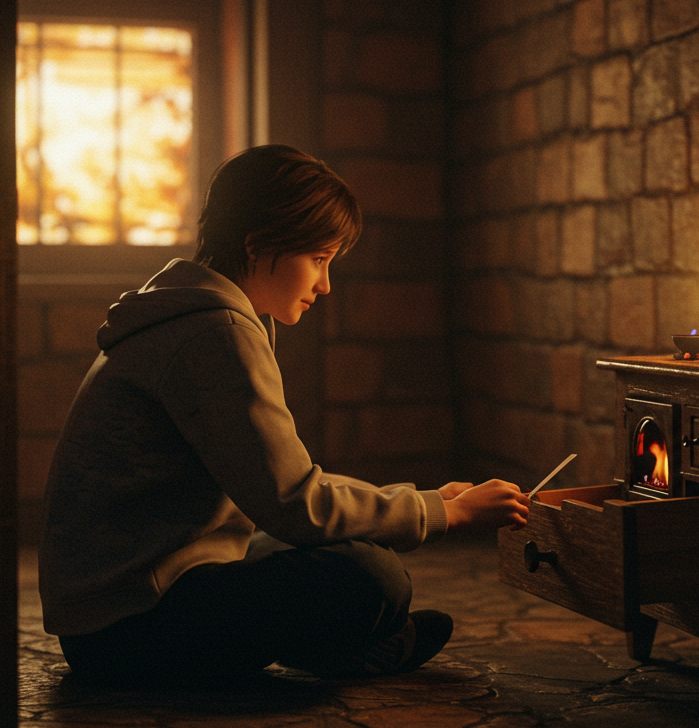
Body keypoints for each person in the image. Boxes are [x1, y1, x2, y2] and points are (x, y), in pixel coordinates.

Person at [38, 144, 529, 686]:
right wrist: (446, 514)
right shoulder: (215, 333)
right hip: (128, 627)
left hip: (121, 611)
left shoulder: (195, 317)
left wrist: (431, 501)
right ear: (257, 245)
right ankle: (350, 644)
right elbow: (297, 503)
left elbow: (284, 487)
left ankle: (354, 645)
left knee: (349, 549)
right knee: (371, 576)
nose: (325, 284)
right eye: (318, 260)